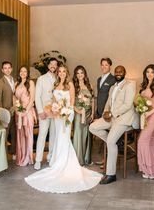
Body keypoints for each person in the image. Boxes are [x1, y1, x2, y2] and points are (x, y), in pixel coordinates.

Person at [25, 65, 102, 193]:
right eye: (59, 71)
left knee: (64, 136)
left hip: (67, 114)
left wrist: (65, 111)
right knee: (57, 138)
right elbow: (54, 100)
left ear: (67, 73)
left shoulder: (70, 84)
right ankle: (57, 161)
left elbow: (71, 101)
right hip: (57, 115)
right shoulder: (56, 84)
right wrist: (55, 110)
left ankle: (65, 163)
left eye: (63, 71)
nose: (61, 73)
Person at [89, 65, 137, 184]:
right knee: (93, 127)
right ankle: (116, 142)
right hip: (111, 117)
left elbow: (127, 104)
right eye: (116, 72)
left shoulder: (129, 85)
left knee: (110, 141)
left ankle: (111, 174)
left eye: (120, 71)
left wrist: (111, 113)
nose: (118, 73)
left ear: (124, 73)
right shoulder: (112, 87)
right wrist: (106, 111)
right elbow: (108, 102)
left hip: (124, 119)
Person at [34, 58, 58, 170]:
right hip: (44, 111)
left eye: (55, 64)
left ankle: (50, 157)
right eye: (51, 64)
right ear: (48, 66)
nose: (53, 66)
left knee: (53, 134)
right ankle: (38, 160)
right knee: (42, 134)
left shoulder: (59, 78)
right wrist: (40, 111)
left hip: (56, 111)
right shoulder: (41, 79)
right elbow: (37, 96)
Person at [14, 66, 36, 166]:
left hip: (28, 111)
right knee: (20, 135)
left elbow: (32, 99)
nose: (23, 73)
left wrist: (25, 111)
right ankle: (21, 157)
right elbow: (14, 98)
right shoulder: (16, 84)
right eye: (21, 71)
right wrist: (18, 110)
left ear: (27, 73)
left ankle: (28, 157)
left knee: (28, 134)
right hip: (18, 112)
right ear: (19, 72)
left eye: (25, 71)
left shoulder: (30, 83)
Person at [72, 65, 94, 166]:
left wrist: (93, 113)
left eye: (82, 73)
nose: (80, 75)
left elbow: (92, 100)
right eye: (78, 73)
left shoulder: (90, 85)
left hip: (88, 113)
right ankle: (77, 158)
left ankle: (86, 158)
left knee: (87, 135)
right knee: (78, 134)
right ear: (76, 75)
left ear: (84, 74)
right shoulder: (73, 86)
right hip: (78, 114)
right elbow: (71, 101)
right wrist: (77, 110)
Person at [0, 61, 16, 159]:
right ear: (2, 70)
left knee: (14, 133)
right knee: (5, 134)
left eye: (9, 68)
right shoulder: (0, 82)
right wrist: (1, 114)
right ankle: (3, 156)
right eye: (5, 68)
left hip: (16, 112)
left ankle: (14, 153)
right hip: (6, 113)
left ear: (11, 69)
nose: (7, 70)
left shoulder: (15, 80)